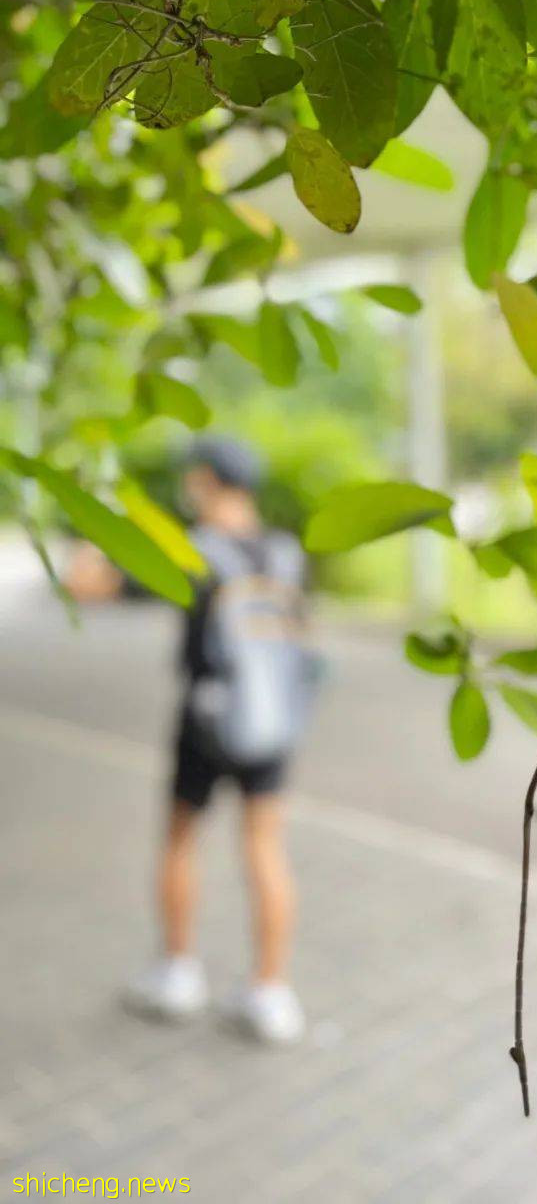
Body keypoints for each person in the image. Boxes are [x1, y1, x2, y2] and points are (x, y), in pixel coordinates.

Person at [67, 436, 310, 1045]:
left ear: (206, 481)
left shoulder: (195, 551)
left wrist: (92, 527)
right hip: (274, 723)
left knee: (181, 838)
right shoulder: (285, 553)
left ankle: (178, 972)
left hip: (205, 722)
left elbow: (90, 585)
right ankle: (270, 990)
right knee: (265, 847)